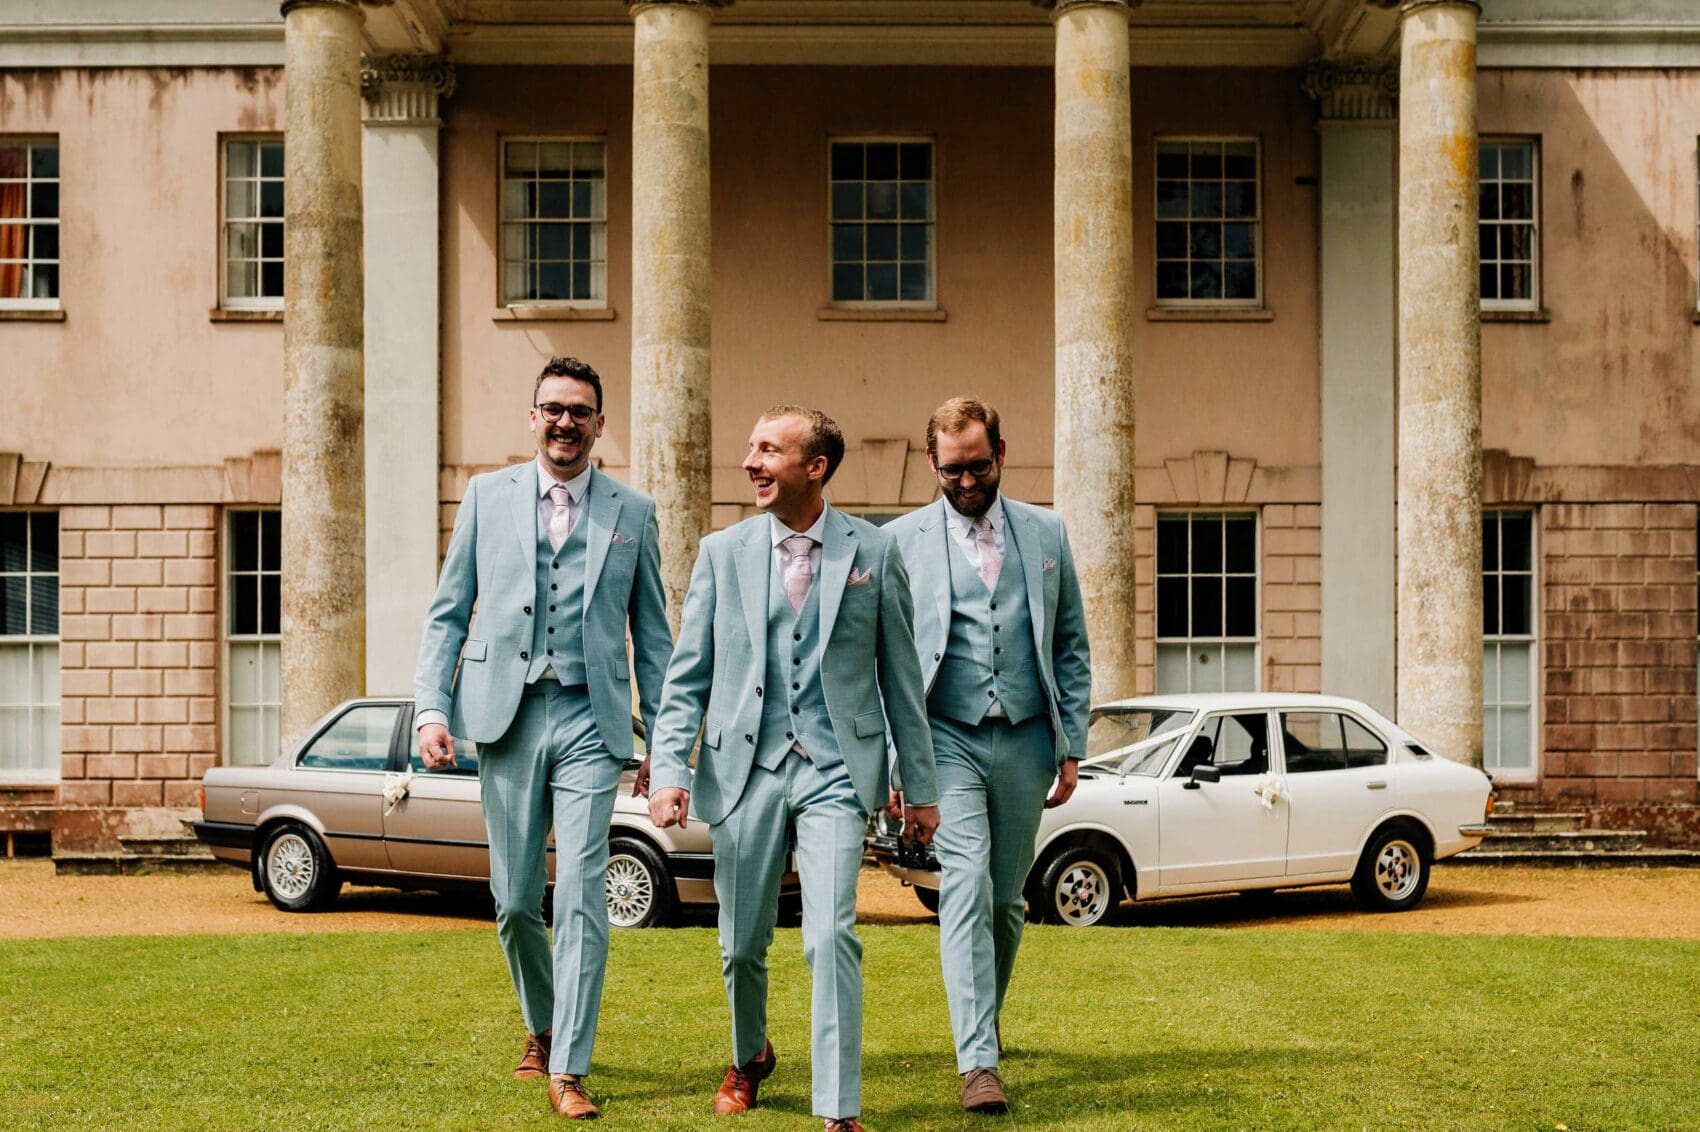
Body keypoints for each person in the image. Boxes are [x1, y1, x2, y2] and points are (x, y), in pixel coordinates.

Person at [644, 405, 939, 1132]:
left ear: (816, 467)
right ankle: (749, 1056)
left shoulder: (874, 552)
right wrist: (669, 768)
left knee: (830, 931)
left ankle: (838, 1110)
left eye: (769, 450)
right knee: (742, 940)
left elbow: (901, 680)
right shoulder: (722, 551)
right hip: (744, 767)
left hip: (837, 768)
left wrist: (922, 789)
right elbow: (688, 677)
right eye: (751, 449)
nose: (751, 462)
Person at [412, 356, 673, 1119]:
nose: (566, 422)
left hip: (593, 718)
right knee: (516, 900)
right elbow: (448, 612)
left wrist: (663, 741)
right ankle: (542, 1022)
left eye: (580, 411)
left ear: (600, 423)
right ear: (534, 418)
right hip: (506, 715)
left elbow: (653, 637)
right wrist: (432, 710)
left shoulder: (634, 511)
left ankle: (570, 1066)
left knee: (584, 890)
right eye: (552, 408)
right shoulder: (487, 497)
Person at [884, 396, 1091, 1114]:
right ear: (932, 464)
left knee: (1007, 901)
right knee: (966, 883)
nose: (966, 482)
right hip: (945, 734)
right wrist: (895, 766)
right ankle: (978, 1062)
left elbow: (1070, 645)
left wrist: (1073, 746)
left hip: (1029, 736)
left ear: (1001, 453)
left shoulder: (1047, 532)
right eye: (951, 471)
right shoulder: (901, 540)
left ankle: (983, 1020)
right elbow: (891, 662)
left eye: (977, 466)